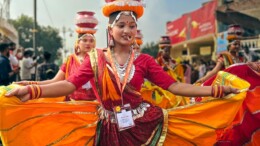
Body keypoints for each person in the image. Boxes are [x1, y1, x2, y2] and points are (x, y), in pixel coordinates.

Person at [1, 1, 247, 145]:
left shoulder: (145, 61)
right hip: (107, 126)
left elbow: (175, 87)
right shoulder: (95, 59)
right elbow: (67, 85)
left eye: (132, 26)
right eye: (121, 25)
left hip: (144, 124)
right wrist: (33, 90)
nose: (127, 30)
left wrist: (217, 89)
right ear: (110, 29)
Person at [17, 11, 99, 101]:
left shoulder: (98, 59)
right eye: (84, 40)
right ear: (78, 43)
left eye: (91, 41)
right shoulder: (70, 60)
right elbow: (55, 81)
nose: (88, 43)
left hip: (94, 106)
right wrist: (30, 84)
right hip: (73, 107)